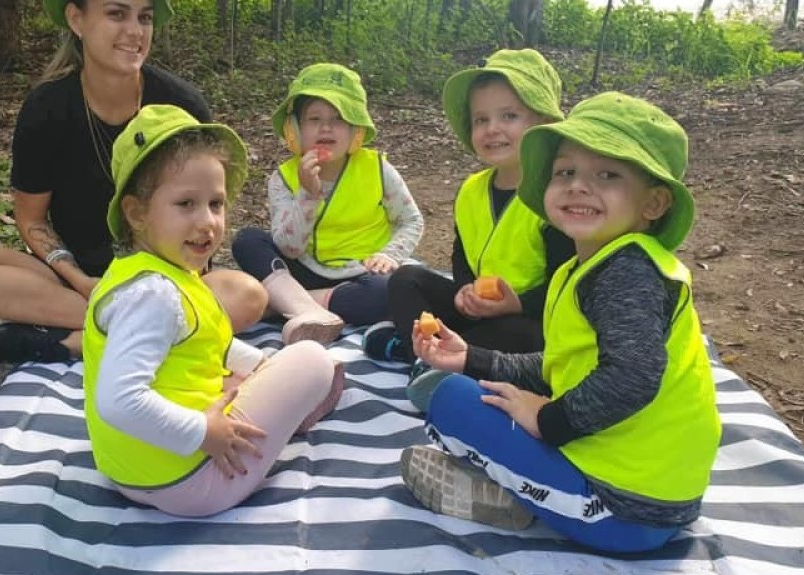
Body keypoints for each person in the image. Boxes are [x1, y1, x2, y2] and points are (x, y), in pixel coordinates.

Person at [399, 92, 720, 553]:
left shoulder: (627, 274)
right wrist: (472, 358)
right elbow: (563, 364)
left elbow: (631, 378)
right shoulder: (592, 265)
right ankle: (526, 487)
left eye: (607, 175)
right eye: (565, 172)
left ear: (654, 203)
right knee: (467, 384)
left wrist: (547, 419)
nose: (577, 186)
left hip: (623, 509)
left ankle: (521, 498)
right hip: (646, 489)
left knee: (449, 401)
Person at [0, 0, 266, 364]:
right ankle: (130, 328)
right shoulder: (47, 109)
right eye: (117, 14)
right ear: (76, 19)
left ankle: (70, 342)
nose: (135, 31)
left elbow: (202, 210)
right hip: (74, 281)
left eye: (144, 17)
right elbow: (32, 219)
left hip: (161, 282)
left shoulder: (180, 105)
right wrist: (83, 281)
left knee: (247, 295)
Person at [84, 105, 345, 517]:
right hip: (196, 480)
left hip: (132, 472)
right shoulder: (155, 295)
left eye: (216, 204)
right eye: (186, 204)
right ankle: (298, 406)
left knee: (260, 368)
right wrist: (204, 433)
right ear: (136, 214)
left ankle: (282, 391)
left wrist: (263, 367)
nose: (207, 221)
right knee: (313, 360)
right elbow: (118, 401)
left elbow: (212, 345)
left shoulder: (153, 275)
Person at [361, 49, 573, 408]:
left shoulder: (555, 195)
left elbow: (566, 284)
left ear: (542, 124)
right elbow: (462, 252)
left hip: (529, 315)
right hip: (477, 311)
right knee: (405, 278)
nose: (492, 129)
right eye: (481, 119)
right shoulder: (473, 189)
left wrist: (516, 303)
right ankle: (426, 351)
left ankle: (438, 360)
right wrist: (462, 290)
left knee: (527, 335)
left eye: (509, 115)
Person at [231, 63, 424, 345]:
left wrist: (390, 255)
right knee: (247, 240)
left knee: (399, 289)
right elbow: (289, 247)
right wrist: (308, 195)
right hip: (304, 270)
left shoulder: (378, 169)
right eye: (313, 119)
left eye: (338, 118)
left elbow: (411, 220)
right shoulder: (283, 178)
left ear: (355, 130)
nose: (326, 128)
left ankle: (280, 305)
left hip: (364, 274)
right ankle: (302, 307)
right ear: (295, 129)